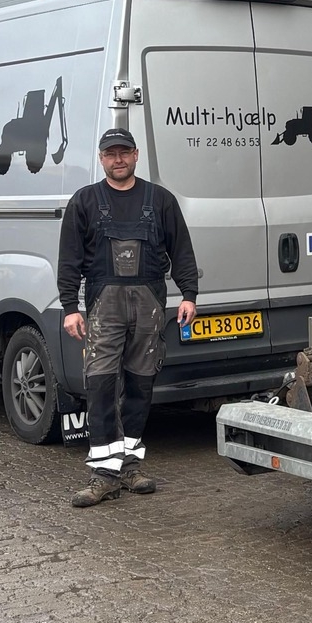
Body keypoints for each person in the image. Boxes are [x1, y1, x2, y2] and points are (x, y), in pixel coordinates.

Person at [57, 127, 199, 507]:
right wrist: (69, 307)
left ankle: (130, 467)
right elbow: (69, 259)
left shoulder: (161, 200)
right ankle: (105, 476)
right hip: (104, 307)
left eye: (124, 152)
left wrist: (189, 295)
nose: (117, 160)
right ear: (101, 159)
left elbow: (182, 251)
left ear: (136, 155)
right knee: (100, 385)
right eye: (110, 154)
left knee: (140, 386)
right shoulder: (85, 201)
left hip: (148, 304)